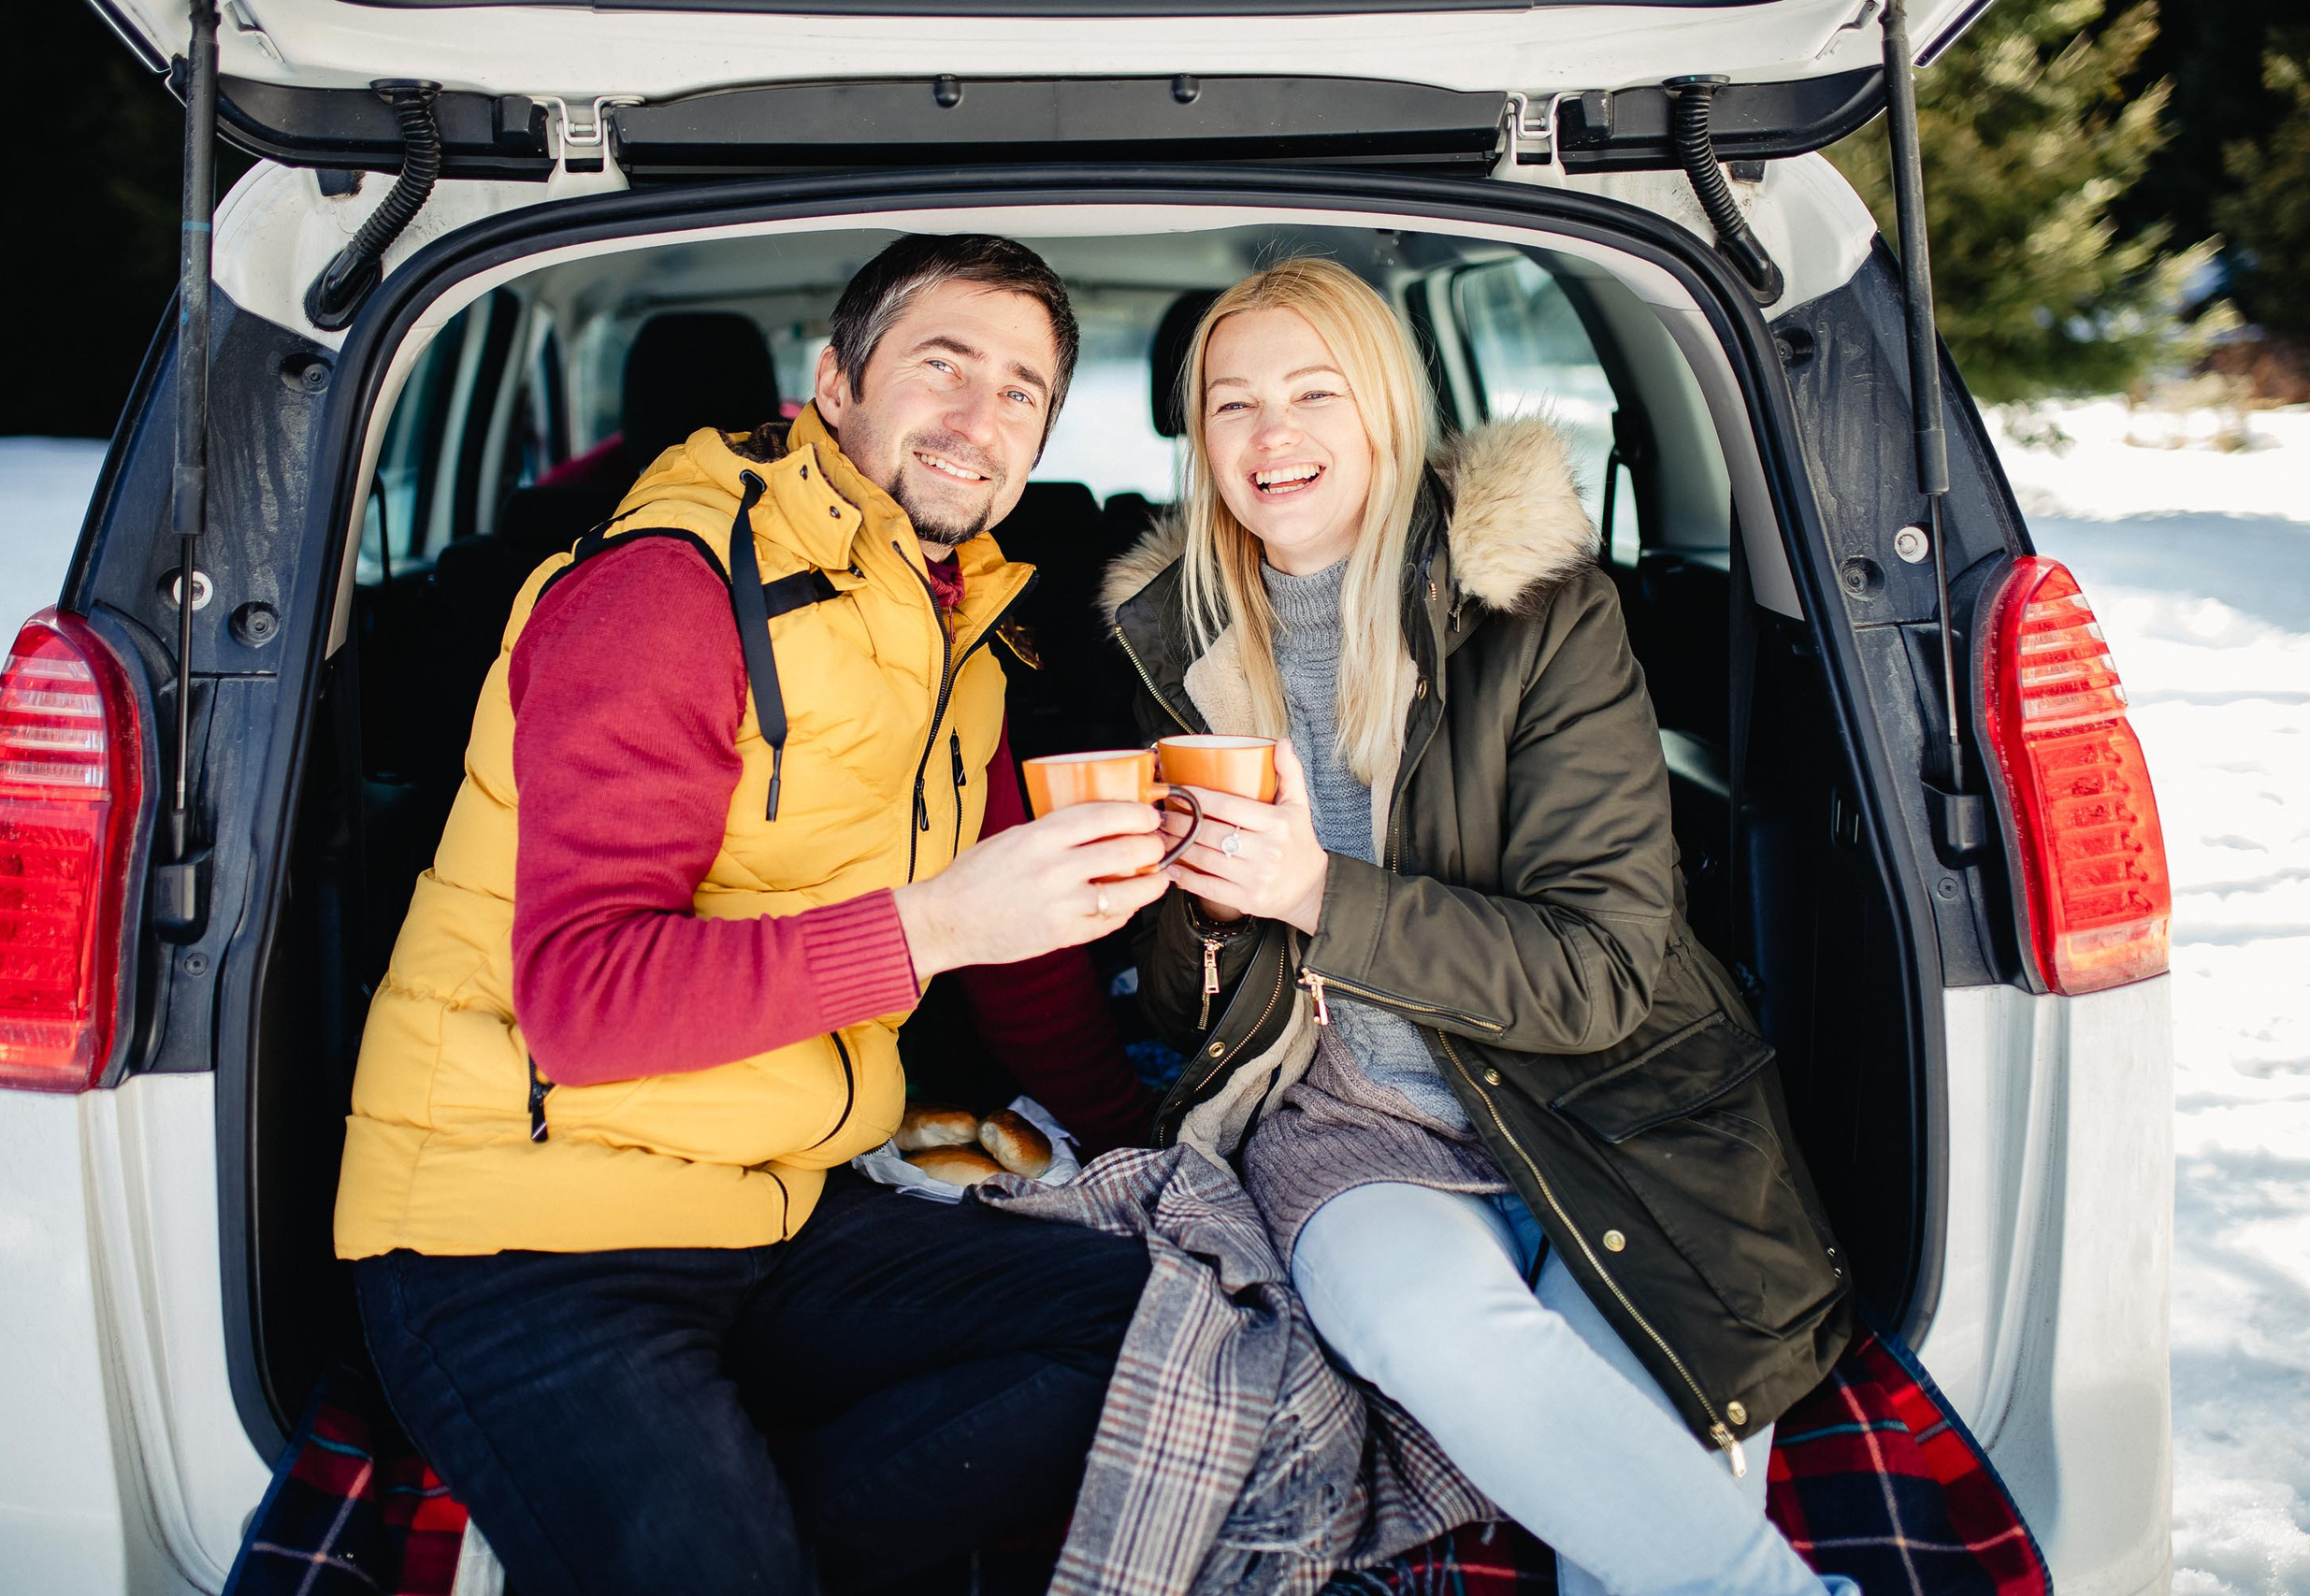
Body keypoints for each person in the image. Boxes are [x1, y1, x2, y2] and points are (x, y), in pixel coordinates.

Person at [334, 235, 1170, 1596]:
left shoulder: (959, 632)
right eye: (941, 365)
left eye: (1022, 392)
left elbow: (1013, 953)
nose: (978, 419)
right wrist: (931, 929)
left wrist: (1151, 1149)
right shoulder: (669, 590)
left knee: (1170, 1327)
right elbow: (584, 998)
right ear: (835, 386)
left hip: (771, 1208)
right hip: (515, 1234)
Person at [1103, 258, 1859, 1596]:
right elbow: (1181, 1017)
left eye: (1312, 392)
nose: (1272, 436)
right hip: (1346, 1129)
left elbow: (1602, 976)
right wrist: (1210, 920)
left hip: (1611, 1111)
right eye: (1232, 404)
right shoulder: (1182, 644)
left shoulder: (1542, 610)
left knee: (1628, 1529)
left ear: (1388, 409)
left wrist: (1316, 894)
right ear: (1198, 438)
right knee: (1426, 1324)